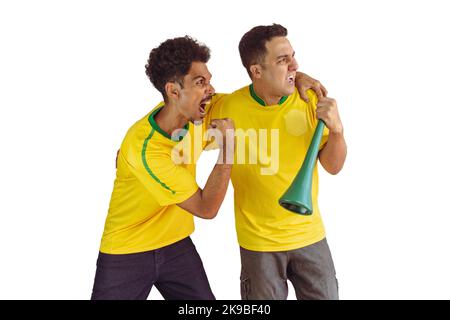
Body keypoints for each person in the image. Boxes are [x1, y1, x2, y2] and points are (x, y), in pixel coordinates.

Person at [210, 24, 347, 300]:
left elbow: (333, 166)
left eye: (293, 57)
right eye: (283, 60)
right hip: (258, 244)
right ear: (256, 71)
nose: (295, 65)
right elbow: (184, 109)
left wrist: (337, 131)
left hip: (310, 236)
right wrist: (138, 144)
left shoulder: (309, 100)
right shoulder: (227, 107)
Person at [91, 36, 234, 300]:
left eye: (209, 80)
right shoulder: (145, 149)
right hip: (128, 249)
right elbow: (206, 208)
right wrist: (228, 149)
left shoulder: (197, 111)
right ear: (173, 91)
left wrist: (301, 78)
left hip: (175, 245)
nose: (211, 89)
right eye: (200, 83)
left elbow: (254, 97)